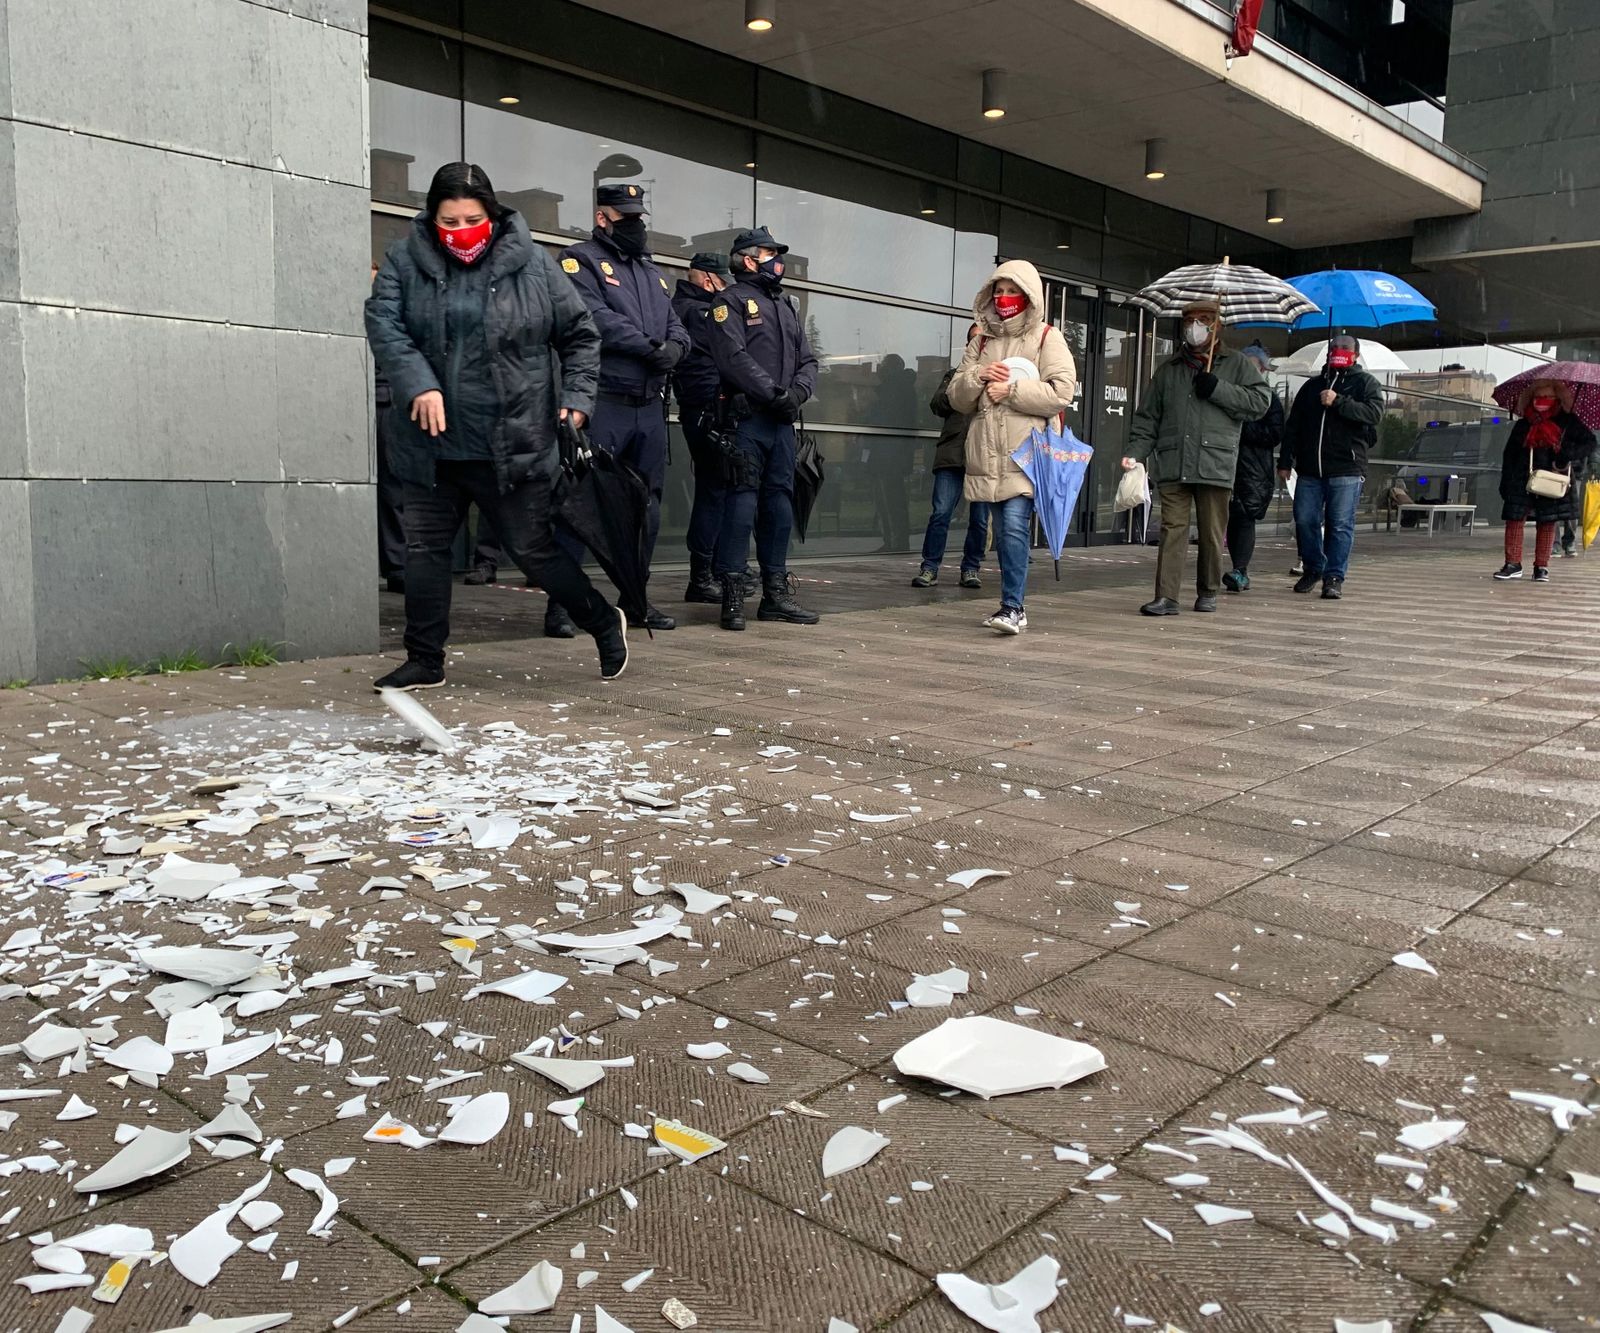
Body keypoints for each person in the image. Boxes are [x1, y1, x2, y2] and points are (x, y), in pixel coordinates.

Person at [365, 161, 628, 688]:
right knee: (424, 552)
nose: (461, 231)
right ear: (432, 218)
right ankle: (425, 659)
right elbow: (384, 323)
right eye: (449, 222)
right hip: (432, 442)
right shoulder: (404, 260)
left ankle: (603, 621)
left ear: (492, 214)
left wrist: (577, 398)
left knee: (534, 553)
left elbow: (580, 334)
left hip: (510, 440)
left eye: (472, 220)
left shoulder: (533, 264)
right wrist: (420, 383)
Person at [546, 183, 689, 637]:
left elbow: (675, 324)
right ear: (602, 217)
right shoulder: (579, 261)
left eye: (637, 216)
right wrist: (651, 348)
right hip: (603, 402)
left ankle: (635, 600)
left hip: (647, 408)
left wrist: (675, 349)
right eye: (625, 216)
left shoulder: (651, 272)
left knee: (646, 510)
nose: (634, 224)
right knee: (582, 505)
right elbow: (595, 318)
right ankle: (563, 607)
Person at [945, 261, 1076, 634]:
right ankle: (1012, 604)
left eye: (1011, 291)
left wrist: (1013, 391)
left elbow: (1062, 391)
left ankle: (1012, 607)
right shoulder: (981, 342)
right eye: (998, 291)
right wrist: (979, 376)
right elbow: (956, 397)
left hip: (1027, 452)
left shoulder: (1047, 337)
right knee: (1002, 532)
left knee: (1014, 526)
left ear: (1028, 295)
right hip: (987, 451)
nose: (1003, 298)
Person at [1121, 299, 1269, 616]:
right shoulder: (1169, 369)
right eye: (1189, 320)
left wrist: (1217, 388)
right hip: (1174, 460)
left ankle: (1208, 590)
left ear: (1218, 325)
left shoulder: (1237, 364)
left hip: (1215, 462)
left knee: (1212, 532)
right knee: (1171, 529)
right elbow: (1148, 417)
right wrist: (1135, 453)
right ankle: (1167, 597)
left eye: (1203, 319)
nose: (1194, 326)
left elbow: (1260, 402)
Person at [706, 227, 821, 631]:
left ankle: (775, 595)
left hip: (781, 424)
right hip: (746, 421)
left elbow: (809, 360)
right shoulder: (729, 302)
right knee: (741, 504)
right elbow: (732, 358)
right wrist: (773, 394)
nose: (777, 261)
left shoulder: (785, 306)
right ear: (747, 259)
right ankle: (733, 593)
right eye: (769, 253)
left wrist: (796, 394)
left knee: (779, 506)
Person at [1276, 333, 1383, 600]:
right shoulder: (1312, 387)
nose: (1339, 350)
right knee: (1305, 520)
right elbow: (1294, 426)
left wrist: (1339, 402)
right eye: (1334, 347)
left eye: (1345, 347)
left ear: (1355, 354)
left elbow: (1374, 414)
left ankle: (1334, 577)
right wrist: (1285, 460)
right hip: (1310, 469)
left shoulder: (1365, 383)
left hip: (1347, 468)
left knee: (1339, 525)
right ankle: (1313, 567)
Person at [671, 251, 732, 604]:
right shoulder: (697, 312)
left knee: (718, 488)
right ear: (709, 280)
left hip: (704, 409)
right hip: (707, 411)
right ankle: (704, 575)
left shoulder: (687, 307)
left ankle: (718, 569)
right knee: (714, 490)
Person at [1493, 379, 1596, 582]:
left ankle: (1541, 566)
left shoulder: (1568, 422)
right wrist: (1506, 480)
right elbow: (1510, 454)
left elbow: (1590, 443)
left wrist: (1566, 455)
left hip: (1552, 477)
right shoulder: (1523, 424)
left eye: (1547, 396)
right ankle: (1512, 563)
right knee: (1514, 519)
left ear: (1557, 398)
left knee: (1547, 521)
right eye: (1537, 396)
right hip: (1522, 477)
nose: (1541, 400)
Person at [914, 323, 988, 589]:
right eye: (975, 340)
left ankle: (971, 568)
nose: (979, 344)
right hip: (952, 453)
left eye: (984, 340)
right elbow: (937, 405)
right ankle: (929, 568)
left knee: (980, 519)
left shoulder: (1000, 376)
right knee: (941, 513)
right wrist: (963, 384)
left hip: (983, 455)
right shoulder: (954, 374)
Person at [1221, 343, 1285, 593]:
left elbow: (1275, 434)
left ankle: (1240, 570)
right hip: (1225, 463)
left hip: (1253, 469)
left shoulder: (1270, 400)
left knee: (1245, 516)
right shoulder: (1228, 393)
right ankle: (1227, 568)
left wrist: (1243, 426)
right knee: (1224, 515)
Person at [372, 262, 406, 596]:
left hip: (392, 403)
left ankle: (400, 565)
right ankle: (397, 565)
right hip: (377, 401)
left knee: (396, 489)